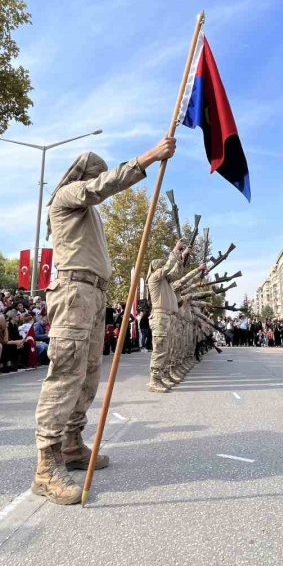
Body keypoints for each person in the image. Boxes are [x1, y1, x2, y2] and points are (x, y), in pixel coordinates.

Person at [32, 135, 176, 505]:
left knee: (89, 373)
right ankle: (46, 467)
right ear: (81, 175)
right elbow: (100, 187)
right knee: (66, 373)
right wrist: (148, 158)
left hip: (93, 293)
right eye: (95, 174)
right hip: (74, 292)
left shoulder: (88, 214)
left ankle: (70, 444)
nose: (100, 179)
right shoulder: (67, 197)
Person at [145, 239, 186, 392]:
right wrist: (176, 249)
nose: (165, 269)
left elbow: (176, 272)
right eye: (161, 267)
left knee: (167, 349)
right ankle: (154, 380)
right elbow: (168, 267)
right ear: (157, 268)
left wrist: (181, 257)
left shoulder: (166, 282)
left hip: (167, 317)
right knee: (160, 349)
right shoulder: (154, 278)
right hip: (160, 317)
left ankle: (160, 376)